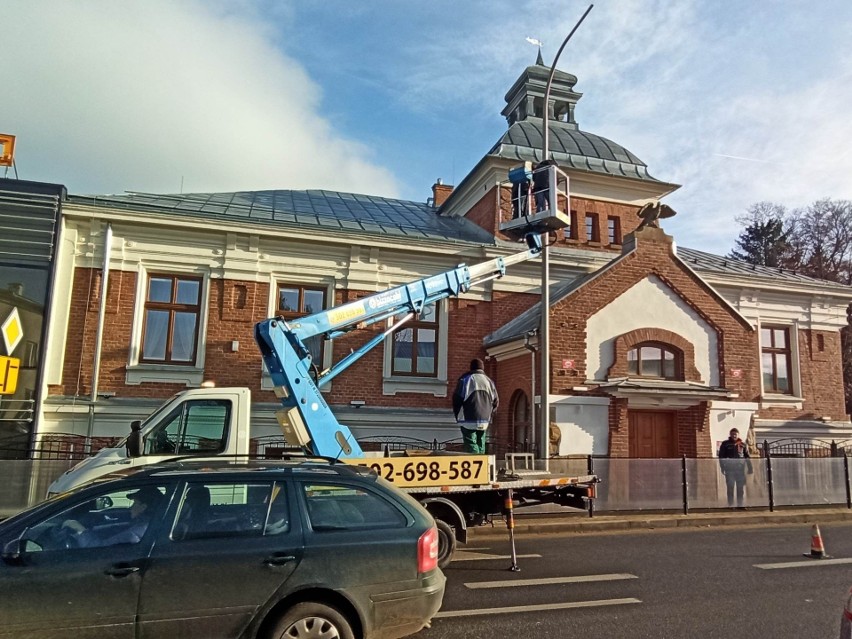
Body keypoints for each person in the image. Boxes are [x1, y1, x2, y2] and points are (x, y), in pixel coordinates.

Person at [63, 485, 163, 547]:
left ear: (143, 507)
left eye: (135, 503)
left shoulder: (135, 533)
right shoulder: (149, 526)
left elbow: (97, 548)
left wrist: (79, 529)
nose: (131, 507)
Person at [452, 358, 499, 454]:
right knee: (481, 441)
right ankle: (482, 462)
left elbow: (457, 399)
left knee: (470, 442)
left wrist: (457, 414)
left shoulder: (466, 380)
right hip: (485, 419)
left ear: (471, 368)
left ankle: (475, 461)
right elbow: (496, 401)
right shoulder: (489, 381)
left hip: (468, 417)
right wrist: (490, 414)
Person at [718, 428, 753, 508]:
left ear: (738, 435)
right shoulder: (725, 444)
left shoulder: (742, 444)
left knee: (740, 488)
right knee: (730, 486)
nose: (734, 436)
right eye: (732, 434)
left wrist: (750, 467)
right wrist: (722, 467)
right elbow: (721, 456)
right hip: (729, 469)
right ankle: (731, 505)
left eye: (735, 434)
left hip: (740, 469)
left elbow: (747, 456)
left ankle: (740, 505)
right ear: (730, 435)